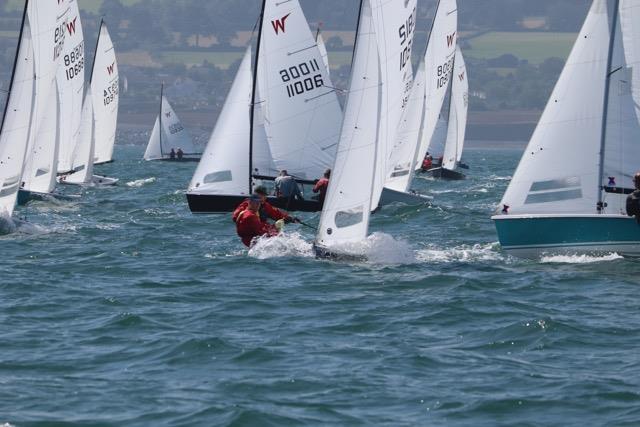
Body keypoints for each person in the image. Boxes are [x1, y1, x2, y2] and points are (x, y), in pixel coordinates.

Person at [232, 186, 299, 226]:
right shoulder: (247, 203)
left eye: (264, 195)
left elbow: (277, 214)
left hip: (262, 230)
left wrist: (291, 219)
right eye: (260, 195)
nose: (263, 197)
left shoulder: (266, 206)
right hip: (252, 231)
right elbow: (235, 216)